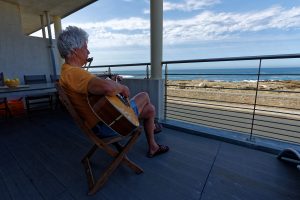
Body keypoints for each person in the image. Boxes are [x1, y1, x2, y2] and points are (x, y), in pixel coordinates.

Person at [57, 26, 169, 158]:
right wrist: (122, 88)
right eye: (85, 47)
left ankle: (153, 147)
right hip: (108, 126)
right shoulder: (74, 73)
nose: (88, 51)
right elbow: (108, 88)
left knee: (150, 110)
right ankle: (154, 129)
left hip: (101, 121)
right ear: (75, 51)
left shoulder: (66, 72)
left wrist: (107, 82)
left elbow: (92, 85)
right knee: (144, 96)